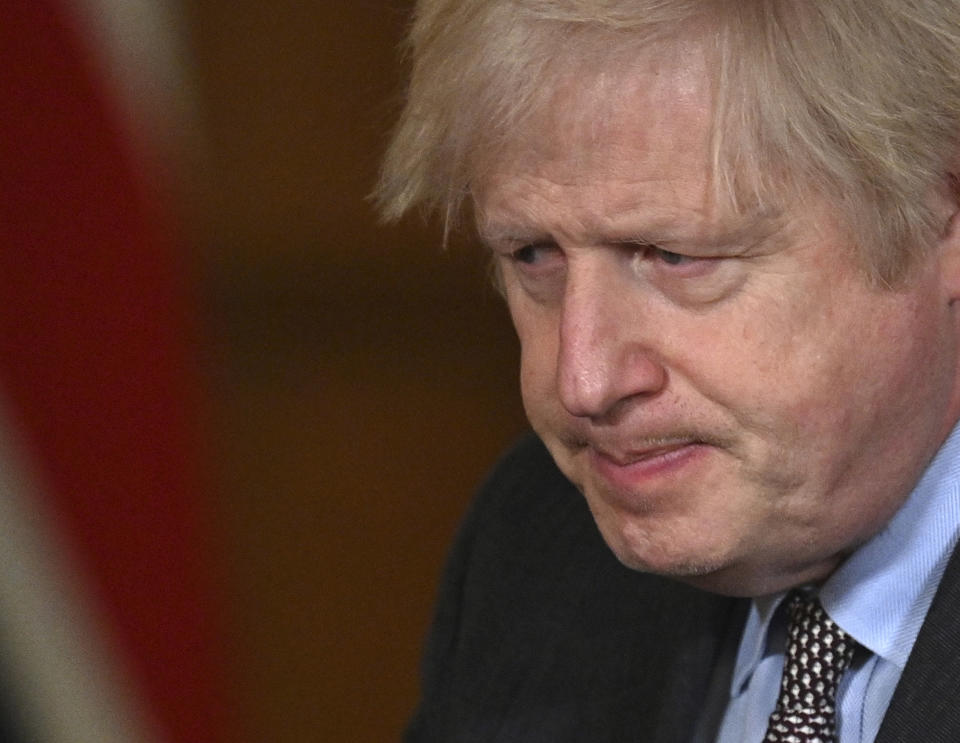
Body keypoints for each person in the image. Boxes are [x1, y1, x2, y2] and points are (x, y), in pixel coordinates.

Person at [377, 1, 960, 740]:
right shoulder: (538, 547)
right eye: (534, 254)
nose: (581, 381)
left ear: (944, 213)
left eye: (675, 256)